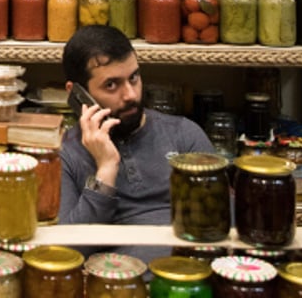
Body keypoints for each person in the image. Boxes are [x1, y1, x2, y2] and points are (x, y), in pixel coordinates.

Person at [59, 24, 213, 248]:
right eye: (111, 85)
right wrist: (106, 169)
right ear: (77, 93)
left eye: (134, 78)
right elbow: (69, 251)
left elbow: (222, 228)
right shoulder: (65, 154)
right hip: (111, 279)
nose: (131, 95)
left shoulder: (184, 135)